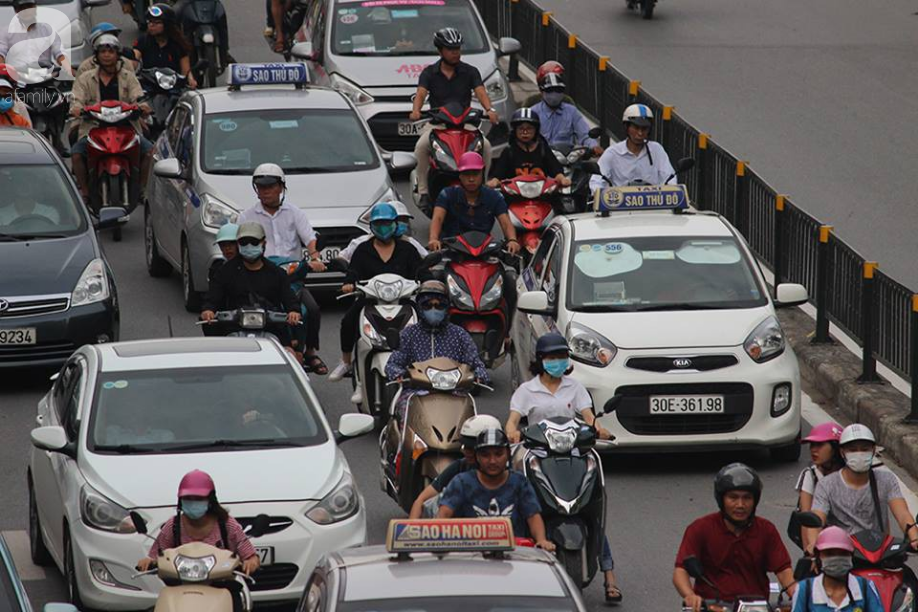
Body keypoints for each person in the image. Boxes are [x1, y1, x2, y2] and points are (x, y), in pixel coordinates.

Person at [506, 331, 617, 601]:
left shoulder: (575, 387)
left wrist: (600, 430)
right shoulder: (526, 390)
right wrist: (512, 432)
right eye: (552, 357)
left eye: (562, 356)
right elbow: (513, 420)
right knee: (521, 503)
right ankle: (514, 566)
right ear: (541, 360)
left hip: (572, 453)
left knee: (589, 507)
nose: (557, 361)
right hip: (538, 454)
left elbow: (589, 418)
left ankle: (610, 576)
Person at [328, 203, 425, 402]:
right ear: (371, 226)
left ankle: (426, 365)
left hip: (403, 302)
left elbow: (422, 271)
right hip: (369, 302)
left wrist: (429, 282)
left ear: (395, 224)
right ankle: (348, 364)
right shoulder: (363, 250)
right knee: (348, 321)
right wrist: (348, 284)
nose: (383, 227)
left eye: (387, 223)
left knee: (426, 322)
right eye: (378, 223)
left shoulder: (408, 248)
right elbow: (353, 273)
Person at [238, 164, 326, 373]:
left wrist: (315, 257)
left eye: (270, 186)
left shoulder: (295, 213)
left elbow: (309, 238)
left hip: (292, 277)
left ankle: (309, 352)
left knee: (311, 310)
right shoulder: (246, 216)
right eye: (260, 186)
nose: (265, 191)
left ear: (281, 187)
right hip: (261, 276)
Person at [674, 463, 796, 612]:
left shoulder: (766, 530)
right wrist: (690, 595)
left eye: (747, 498)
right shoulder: (700, 528)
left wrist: (797, 595)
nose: (740, 504)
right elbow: (681, 570)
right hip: (714, 608)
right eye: (733, 497)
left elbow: (783, 570)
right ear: (721, 499)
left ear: (755, 501)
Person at [410, 28, 497, 212]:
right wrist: (416, 111)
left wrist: (489, 109)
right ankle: (424, 191)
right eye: (450, 49)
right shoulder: (429, 73)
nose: (455, 52)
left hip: (464, 123)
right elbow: (421, 93)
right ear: (440, 51)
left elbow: (480, 91)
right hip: (438, 124)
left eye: (457, 48)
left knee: (487, 146)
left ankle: (486, 183)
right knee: (420, 147)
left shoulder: (470, 71)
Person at [428, 151, 519, 317]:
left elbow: (506, 223)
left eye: (475, 174)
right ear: (460, 176)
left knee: (511, 279)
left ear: (482, 174)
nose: (471, 179)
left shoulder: (494, 196)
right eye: (466, 174)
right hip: (452, 253)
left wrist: (512, 240)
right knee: (432, 280)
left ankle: (506, 330)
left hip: (485, 253)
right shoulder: (447, 194)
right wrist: (434, 239)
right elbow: (438, 219)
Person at [806, 424, 918, 554]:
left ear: (873, 450)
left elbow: (902, 513)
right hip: (843, 556)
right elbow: (817, 519)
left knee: (907, 575)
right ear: (842, 452)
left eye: (864, 449)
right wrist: (813, 545)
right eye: (853, 450)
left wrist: (914, 536)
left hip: (879, 553)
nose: (859, 454)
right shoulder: (826, 485)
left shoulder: (886, 480)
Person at [438, 428, 555, 551]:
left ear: (508, 454)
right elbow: (444, 515)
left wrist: (541, 540)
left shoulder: (520, 482)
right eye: (485, 455)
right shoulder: (461, 482)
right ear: (477, 457)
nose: (492, 461)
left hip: (514, 556)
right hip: (471, 557)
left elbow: (533, 516)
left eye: (498, 454)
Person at [70, 35, 153, 203]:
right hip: (93, 128)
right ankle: (85, 192)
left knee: (149, 151)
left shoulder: (128, 77)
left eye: (110, 51)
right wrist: (77, 109)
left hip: (126, 127)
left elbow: (138, 96)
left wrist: (141, 106)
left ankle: (142, 188)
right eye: (103, 51)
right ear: (97, 55)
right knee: (77, 154)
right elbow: (76, 99)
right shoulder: (86, 78)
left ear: (117, 55)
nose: (107, 55)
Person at [135, 470, 260, 576]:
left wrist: (251, 562)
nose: (193, 503)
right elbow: (156, 556)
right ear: (180, 501)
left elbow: (250, 555)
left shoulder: (226, 524)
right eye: (188, 499)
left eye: (198, 499)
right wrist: (147, 561)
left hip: (222, 584)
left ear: (210, 500)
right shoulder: (174, 526)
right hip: (181, 586)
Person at [200, 222, 301, 348]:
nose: (249, 246)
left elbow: (288, 297)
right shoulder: (224, 272)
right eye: (244, 243)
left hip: (272, 328)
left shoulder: (277, 273)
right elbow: (213, 296)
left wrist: (293, 311)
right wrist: (208, 309)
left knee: (292, 356)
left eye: (253, 242)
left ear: (263, 243)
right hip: (233, 328)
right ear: (238, 244)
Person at [385, 280, 489, 385]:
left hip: (454, 392)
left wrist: (478, 375)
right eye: (427, 305)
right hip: (417, 391)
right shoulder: (409, 334)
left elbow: (477, 364)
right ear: (420, 308)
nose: (433, 310)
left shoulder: (459, 334)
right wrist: (400, 374)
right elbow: (393, 364)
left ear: (447, 308)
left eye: (439, 306)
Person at [409, 414, 502, 519]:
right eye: (465, 447)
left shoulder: (516, 482)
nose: (466, 452)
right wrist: (411, 531)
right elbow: (422, 500)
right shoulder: (459, 478)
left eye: (471, 448)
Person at [791, 527, 883, 612]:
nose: (836, 558)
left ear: (851, 556)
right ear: (819, 557)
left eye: (842, 553)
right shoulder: (805, 590)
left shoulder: (865, 587)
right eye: (829, 553)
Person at [589, 103, 676, 193]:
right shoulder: (612, 153)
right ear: (627, 127)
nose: (640, 133)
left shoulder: (657, 150)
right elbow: (597, 180)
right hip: (619, 205)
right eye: (636, 128)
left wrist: (672, 191)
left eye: (644, 128)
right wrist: (599, 194)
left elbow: (669, 177)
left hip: (652, 205)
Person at [487, 107, 570, 187]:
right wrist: (493, 182)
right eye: (521, 128)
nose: (525, 132)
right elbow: (498, 176)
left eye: (529, 128)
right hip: (514, 196)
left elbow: (556, 171)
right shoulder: (509, 151)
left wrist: (563, 179)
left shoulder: (543, 149)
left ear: (536, 130)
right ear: (515, 130)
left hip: (541, 195)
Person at [791, 423, 844, 546]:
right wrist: (809, 554)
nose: (813, 450)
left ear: (836, 448)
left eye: (819, 445)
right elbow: (806, 519)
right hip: (823, 542)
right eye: (812, 445)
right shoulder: (810, 475)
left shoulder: (851, 474)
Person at [530, 68, 602, 155]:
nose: (554, 94)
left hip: (568, 159)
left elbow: (585, 135)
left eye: (558, 90)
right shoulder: (533, 113)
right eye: (550, 90)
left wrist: (594, 147)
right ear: (541, 91)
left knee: (593, 168)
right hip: (541, 160)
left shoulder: (571, 112)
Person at [0, 0, 74, 76]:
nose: (27, 11)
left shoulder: (48, 30)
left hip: (45, 77)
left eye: (29, 7)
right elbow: (1, 54)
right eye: (23, 8)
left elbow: (59, 53)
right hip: (17, 79)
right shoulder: (6, 32)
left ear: (35, 8)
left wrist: (67, 68)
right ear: (16, 11)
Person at [133, 4, 198, 89]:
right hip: (149, 87)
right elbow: (133, 60)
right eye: (150, 21)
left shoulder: (178, 44)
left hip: (172, 88)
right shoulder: (143, 40)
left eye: (157, 22)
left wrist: (190, 80)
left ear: (167, 24)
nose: (151, 25)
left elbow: (186, 71)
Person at [339, 201, 427, 262]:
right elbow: (343, 258)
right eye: (398, 219)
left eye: (404, 220)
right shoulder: (362, 245)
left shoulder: (410, 245)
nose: (401, 223)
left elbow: (426, 260)